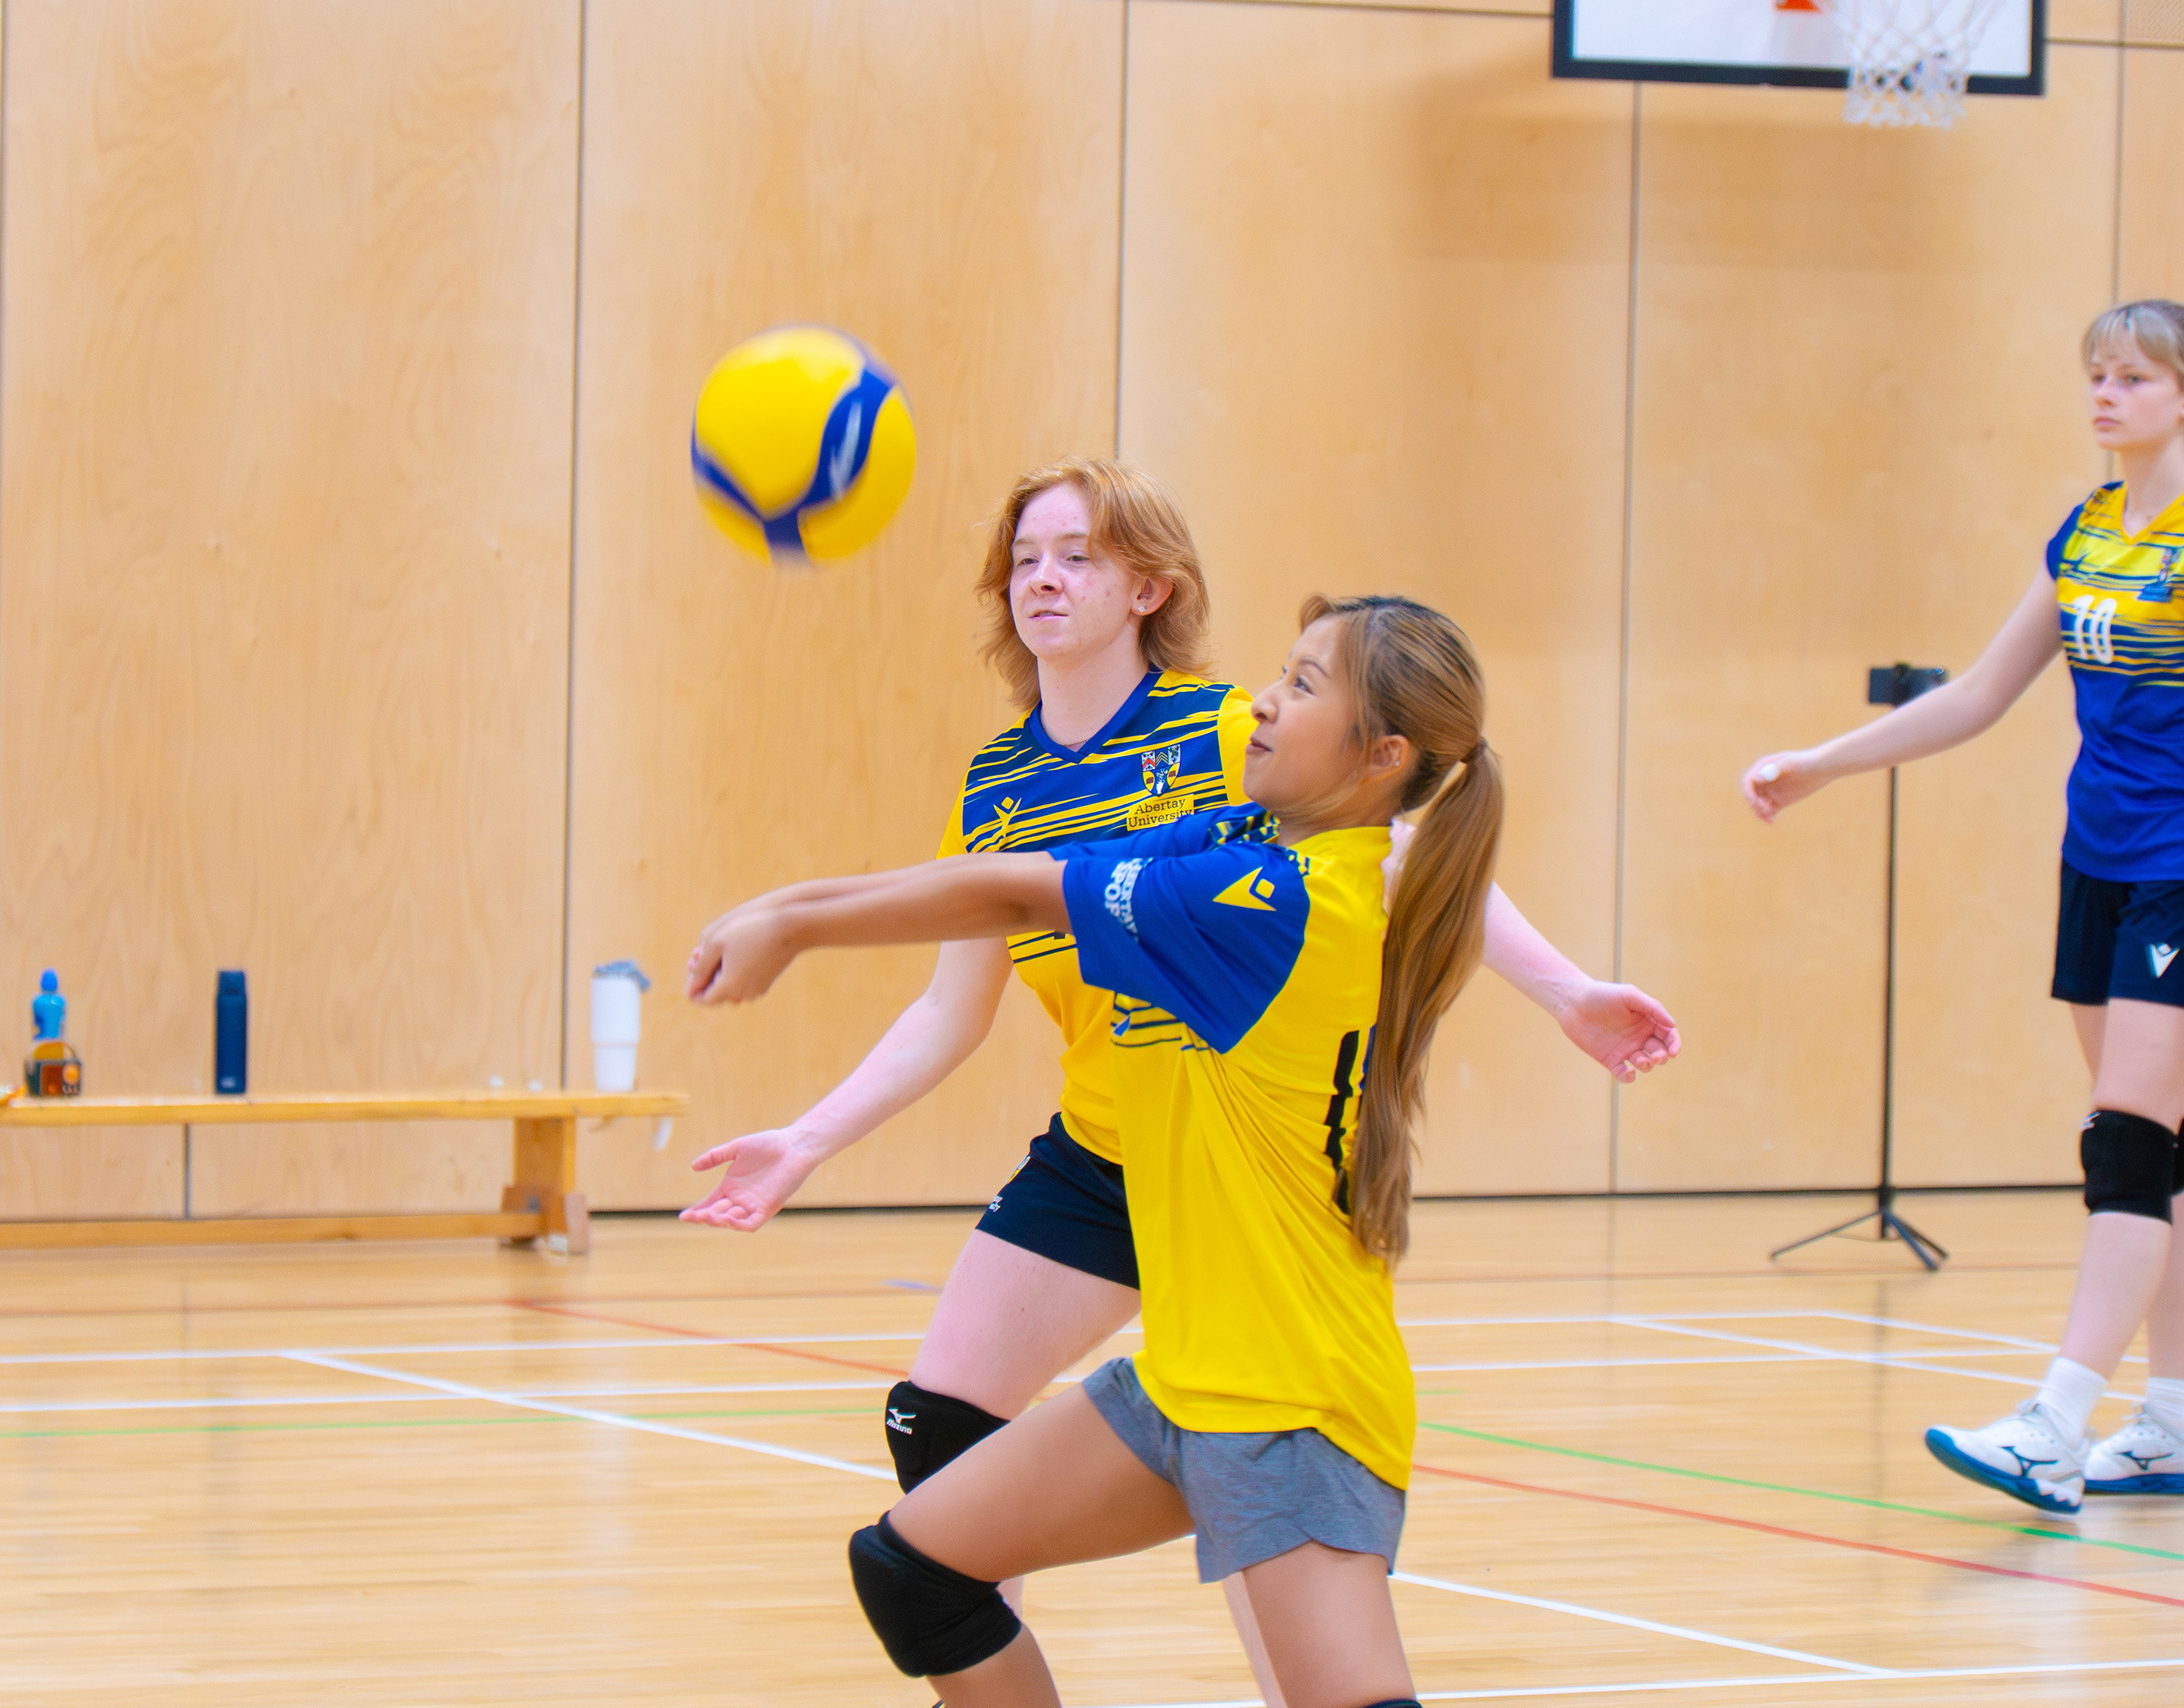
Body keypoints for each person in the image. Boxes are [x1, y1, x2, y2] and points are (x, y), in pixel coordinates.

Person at [685, 459, 1679, 1691]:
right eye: (1026, 556)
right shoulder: (1177, 815)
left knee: (1301, 1618)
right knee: (918, 1540)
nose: (1044, 577)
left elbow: (1406, 845)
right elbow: (973, 954)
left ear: (1149, 588)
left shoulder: (1256, 835)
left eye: (1078, 554)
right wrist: (808, 1126)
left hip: (1279, 1344)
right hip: (1146, 1225)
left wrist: (1566, 989)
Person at [1742, 299, 2184, 1515]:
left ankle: (2056, 1421)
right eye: (2097, 374)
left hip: (2178, 869)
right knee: (2162, 1146)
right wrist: (1824, 762)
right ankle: (2168, 1419)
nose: (2105, 394)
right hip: (2098, 862)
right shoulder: (2087, 531)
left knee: (2129, 1138)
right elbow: (1984, 691)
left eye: (2135, 377)